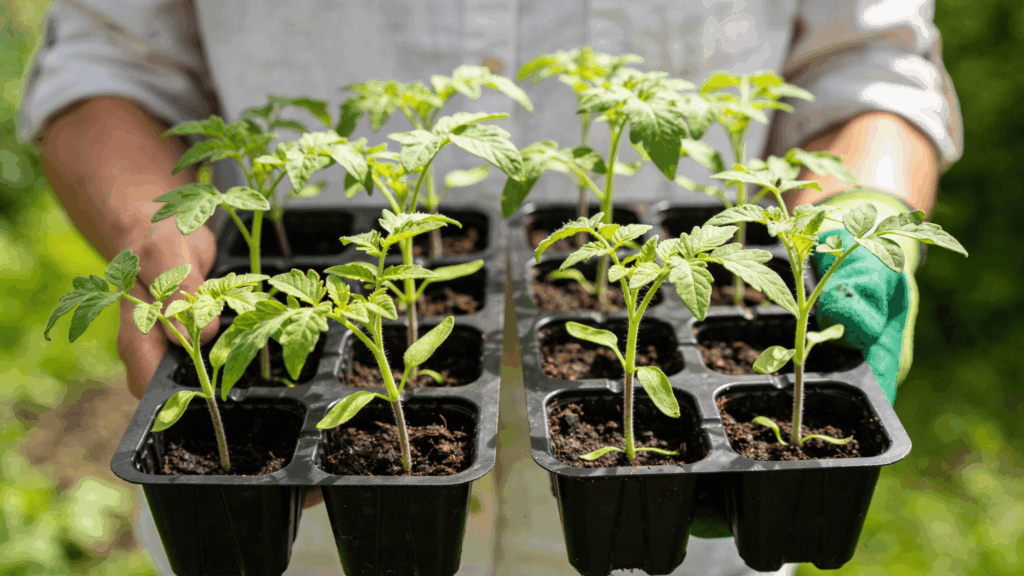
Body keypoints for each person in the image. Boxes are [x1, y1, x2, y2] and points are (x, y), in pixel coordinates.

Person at [22, 1, 961, 574]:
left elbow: (870, 69)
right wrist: (155, 229)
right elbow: (101, 66)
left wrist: (858, 224)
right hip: (304, 530)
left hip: (687, 526)